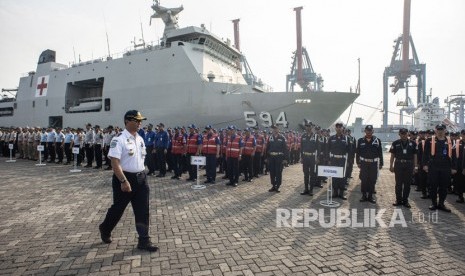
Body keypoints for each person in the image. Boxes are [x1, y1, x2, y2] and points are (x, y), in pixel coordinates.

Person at [99, 110, 157, 252]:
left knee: (143, 211)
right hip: (124, 178)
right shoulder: (119, 139)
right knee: (118, 209)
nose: (139, 123)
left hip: (141, 179)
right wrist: (123, 181)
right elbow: (115, 162)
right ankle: (105, 228)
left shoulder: (140, 139)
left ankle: (144, 240)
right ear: (127, 121)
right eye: (136, 121)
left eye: (140, 121)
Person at [422, 124, 456, 212]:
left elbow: (454, 156)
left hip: (446, 167)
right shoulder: (429, 140)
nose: (440, 131)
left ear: (445, 130)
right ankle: (434, 203)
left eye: (442, 129)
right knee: (433, 186)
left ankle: (441, 203)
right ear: (435, 130)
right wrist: (425, 165)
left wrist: (453, 167)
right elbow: (425, 154)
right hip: (433, 166)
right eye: (439, 129)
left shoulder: (450, 141)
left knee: (444, 186)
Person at [389, 128, 418, 208]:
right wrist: (391, 165)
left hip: (409, 165)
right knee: (398, 184)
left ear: (408, 133)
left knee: (407, 184)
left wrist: (415, 166)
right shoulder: (395, 143)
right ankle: (398, 200)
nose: (403, 135)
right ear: (399, 134)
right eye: (402, 133)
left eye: (405, 133)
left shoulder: (413, 143)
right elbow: (392, 155)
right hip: (398, 164)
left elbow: (415, 155)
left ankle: (405, 201)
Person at [356, 125, 383, 203]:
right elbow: (358, 153)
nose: (369, 132)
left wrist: (381, 163)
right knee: (363, 179)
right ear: (365, 131)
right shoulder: (360, 140)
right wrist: (358, 162)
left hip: (373, 164)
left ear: (373, 131)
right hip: (364, 163)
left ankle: (370, 196)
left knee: (372, 179)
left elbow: (380, 153)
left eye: (370, 130)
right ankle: (364, 195)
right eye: (367, 130)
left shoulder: (377, 140)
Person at [265, 125, 288, 192]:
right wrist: (266, 157)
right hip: (271, 157)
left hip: (279, 157)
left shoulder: (282, 138)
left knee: (278, 172)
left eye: (276, 129)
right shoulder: (270, 137)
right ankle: (273, 185)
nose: (274, 130)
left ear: (278, 129)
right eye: (273, 129)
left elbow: (285, 149)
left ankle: (278, 186)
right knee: (272, 172)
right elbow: (267, 148)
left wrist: (285, 159)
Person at [300, 121, 320, 196]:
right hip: (305, 157)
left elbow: (319, 148)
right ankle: (306, 189)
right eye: (307, 126)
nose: (308, 127)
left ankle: (311, 190)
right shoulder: (303, 136)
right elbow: (301, 148)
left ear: (312, 127)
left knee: (312, 174)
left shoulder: (316, 136)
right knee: (306, 174)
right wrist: (301, 157)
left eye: (309, 126)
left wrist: (317, 158)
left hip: (312, 157)